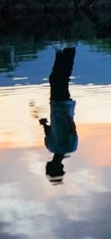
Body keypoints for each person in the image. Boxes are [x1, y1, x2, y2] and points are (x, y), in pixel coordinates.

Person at [39, 46, 78, 184]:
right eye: (50, 169)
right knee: (56, 80)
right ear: (58, 167)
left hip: (55, 106)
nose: (47, 166)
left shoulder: (50, 146)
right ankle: (60, 52)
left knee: (62, 80)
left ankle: (68, 51)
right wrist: (67, 115)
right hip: (63, 107)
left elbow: (49, 132)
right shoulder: (69, 147)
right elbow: (73, 130)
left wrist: (44, 123)